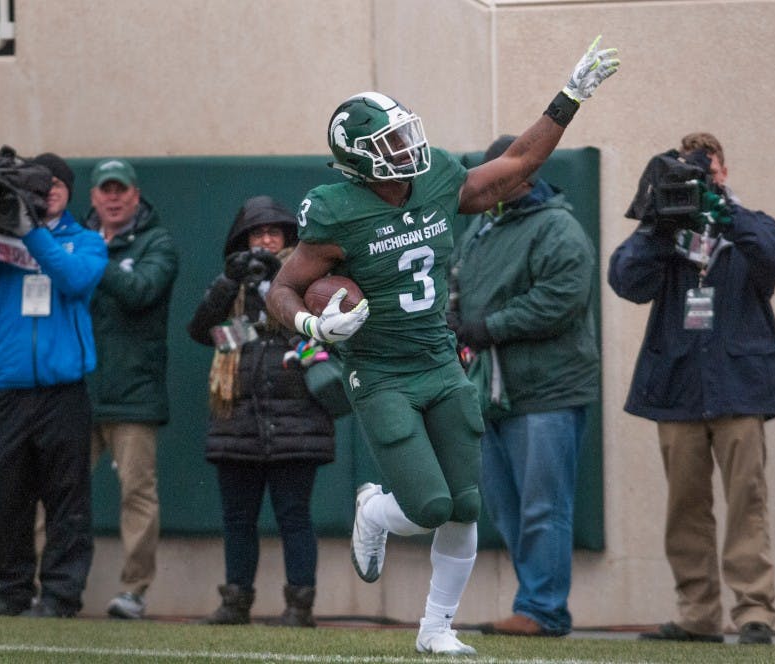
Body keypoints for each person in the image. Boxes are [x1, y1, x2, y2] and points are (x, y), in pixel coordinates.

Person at [265, 37, 619, 654]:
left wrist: (571, 96)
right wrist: (313, 328)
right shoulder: (335, 211)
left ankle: (436, 630)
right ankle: (374, 511)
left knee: (466, 505)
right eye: (390, 143)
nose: (407, 148)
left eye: (405, 135)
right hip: (379, 371)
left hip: (438, 359)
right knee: (429, 505)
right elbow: (283, 288)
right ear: (359, 161)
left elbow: (519, 165)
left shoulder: (435, 182)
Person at [608, 132, 775, 645]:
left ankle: (754, 612)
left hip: (740, 386)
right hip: (679, 386)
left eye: (707, 168)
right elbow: (625, 281)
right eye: (689, 170)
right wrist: (658, 222)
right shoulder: (666, 227)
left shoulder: (745, 226)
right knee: (685, 508)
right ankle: (697, 615)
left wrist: (723, 210)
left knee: (746, 502)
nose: (699, 178)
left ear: (724, 171)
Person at [447, 134, 600, 637]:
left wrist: (488, 327)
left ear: (525, 175)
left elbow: (561, 300)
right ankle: (533, 602)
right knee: (508, 510)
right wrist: (454, 320)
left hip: (548, 394)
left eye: (498, 172)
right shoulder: (480, 231)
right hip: (491, 393)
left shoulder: (558, 228)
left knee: (542, 508)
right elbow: (459, 287)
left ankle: (542, 609)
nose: (485, 181)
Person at [0, 150, 107, 617]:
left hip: (62, 393)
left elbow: (75, 279)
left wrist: (32, 233)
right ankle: (7, 590)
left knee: (67, 498)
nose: (47, 196)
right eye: (38, 191)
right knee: (7, 499)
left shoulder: (85, 241)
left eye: (55, 188)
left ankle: (61, 594)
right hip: (3, 390)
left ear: (66, 194)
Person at [188, 195, 335, 628]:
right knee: (237, 518)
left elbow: (322, 335)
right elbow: (202, 331)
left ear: (289, 237)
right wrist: (226, 283)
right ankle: (235, 601)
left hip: (296, 419)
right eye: (256, 233)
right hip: (237, 419)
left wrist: (277, 286)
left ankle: (299, 605)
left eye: (273, 232)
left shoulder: (312, 280)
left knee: (294, 515)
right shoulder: (233, 284)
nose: (265, 241)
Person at [83, 158, 179, 620]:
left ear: (136, 195)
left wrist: (91, 258)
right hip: (77, 389)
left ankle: (134, 591)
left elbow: (141, 290)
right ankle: (51, 585)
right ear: (94, 197)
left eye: (121, 190)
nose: (114, 197)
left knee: (136, 493)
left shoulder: (156, 241)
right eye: (106, 190)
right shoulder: (76, 241)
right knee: (56, 493)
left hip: (133, 392)